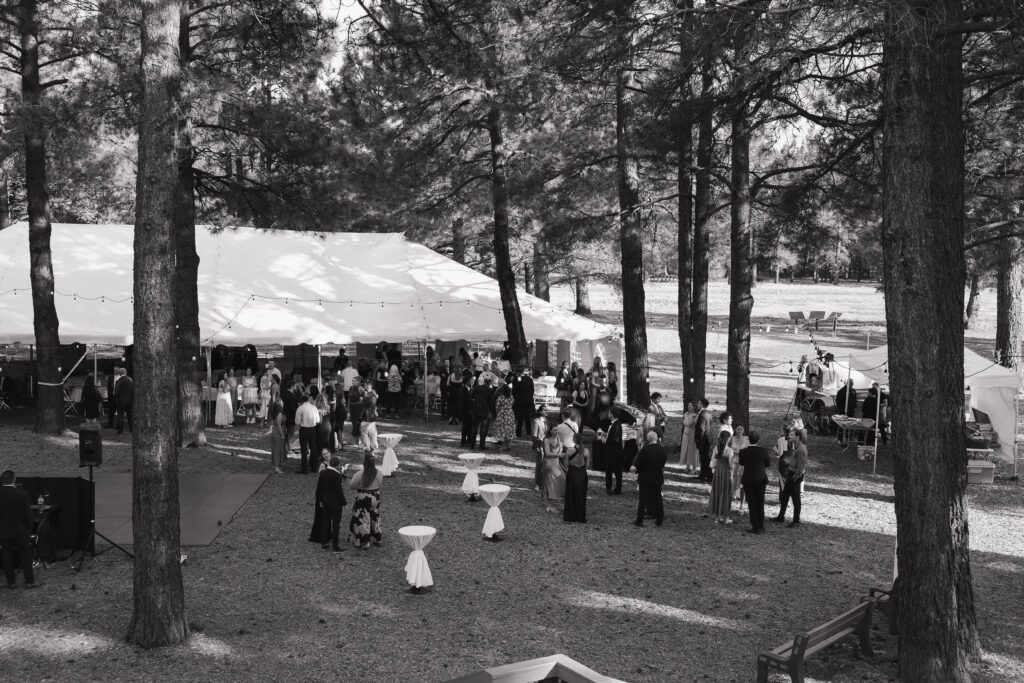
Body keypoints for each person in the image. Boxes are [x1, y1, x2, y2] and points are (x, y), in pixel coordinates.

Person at [0, 470, 37, 589]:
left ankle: (11, 582)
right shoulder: (22, 494)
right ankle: (29, 581)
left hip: (4, 530)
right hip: (21, 530)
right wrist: (29, 527)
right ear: (14, 479)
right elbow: (28, 515)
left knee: (7, 555)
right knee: (26, 555)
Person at [738, 430, 771, 534]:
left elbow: (741, 463)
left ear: (748, 440)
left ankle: (755, 526)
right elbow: (768, 464)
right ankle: (761, 525)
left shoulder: (743, 452)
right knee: (760, 503)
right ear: (759, 440)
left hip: (749, 479)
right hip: (761, 479)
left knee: (752, 504)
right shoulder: (763, 451)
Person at [349, 450, 384, 549]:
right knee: (375, 516)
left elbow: (352, 486)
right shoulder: (379, 473)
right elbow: (380, 483)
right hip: (375, 496)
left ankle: (365, 541)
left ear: (364, 463)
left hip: (363, 498)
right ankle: (378, 538)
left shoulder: (359, 474)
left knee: (362, 518)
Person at [633, 431, 667, 527]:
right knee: (658, 499)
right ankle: (659, 520)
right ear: (656, 438)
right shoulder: (662, 450)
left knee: (643, 500)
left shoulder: (644, 450)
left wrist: (637, 471)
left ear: (648, 439)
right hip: (657, 477)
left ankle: (639, 520)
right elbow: (663, 462)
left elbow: (638, 464)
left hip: (645, 478)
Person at [774, 432, 808, 527]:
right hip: (791, 474)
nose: (790, 436)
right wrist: (788, 460)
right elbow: (796, 461)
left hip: (794, 476)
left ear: (798, 437)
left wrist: (794, 478)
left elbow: (801, 467)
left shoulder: (801, 449)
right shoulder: (797, 447)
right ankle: (781, 517)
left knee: (796, 499)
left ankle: (796, 521)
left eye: (792, 435)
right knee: (785, 496)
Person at [315, 455, 347, 552]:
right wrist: (344, 502)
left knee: (325, 522)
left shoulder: (323, 473)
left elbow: (319, 488)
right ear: (337, 465)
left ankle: (323, 543)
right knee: (336, 524)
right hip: (335, 502)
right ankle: (335, 546)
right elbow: (339, 491)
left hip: (326, 500)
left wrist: (320, 500)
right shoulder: (337, 475)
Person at [707, 430, 734, 524]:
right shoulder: (730, 450)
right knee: (725, 492)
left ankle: (717, 516)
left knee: (718, 492)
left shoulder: (716, 448)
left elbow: (713, 462)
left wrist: (714, 470)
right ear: (728, 439)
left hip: (718, 473)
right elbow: (731, 465)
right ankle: (725, 516)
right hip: (726, 473)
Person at [562, 432, 589, 523]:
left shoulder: (569, 450)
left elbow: (565, 464)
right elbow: (587, 464)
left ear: (574, 440)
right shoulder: (586, 451)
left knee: (570, 495)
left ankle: (570, 516)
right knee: (581, 496)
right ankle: (580, 516)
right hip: (582, 474)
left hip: (572, 473)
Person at [541, 424, 566, 508]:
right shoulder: (547, 440)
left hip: (556, 462)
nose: (556, 431)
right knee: (549, 480)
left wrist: (561, 453)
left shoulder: (558, 438)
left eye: (557, 430)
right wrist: (559, 454)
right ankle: (547, 498)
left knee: (561, 478)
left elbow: (561, 448)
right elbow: (547, 453)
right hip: (549, 462)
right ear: (550, 431)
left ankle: (556, 496)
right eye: (555, 430)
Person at [295, 393, 321, 474]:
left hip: (304, 429)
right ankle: (315, 467)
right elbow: (318, 421)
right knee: (313, 448)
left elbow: (297, 422)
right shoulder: (314, 407)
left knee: (303, 449)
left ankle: (304, 468)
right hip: (312, 429)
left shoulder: (300, 408)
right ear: (309, 398)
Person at [602, 407, 625, 495]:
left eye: (609, 413)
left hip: (615, 453)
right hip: (612, 452)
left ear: (612, 414)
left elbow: (616, 439)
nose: (608, 414)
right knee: (609, 470)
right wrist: (607, 434)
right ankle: (609, 487)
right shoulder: (614, 424)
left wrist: (605, 440)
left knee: (616, 472)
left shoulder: (616, 425)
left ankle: (616, 489)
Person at [471, 375, 496, 450]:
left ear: (484, 381)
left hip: (476, 409)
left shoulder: (476, 387)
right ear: (490, 383)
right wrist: (492, 412)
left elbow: (472, 397)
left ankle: (472, 445)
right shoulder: (490, 390)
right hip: (485, 411)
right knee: (483, 429)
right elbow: (491, 402)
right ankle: (481, 446)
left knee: (474, 428)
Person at [512, 368, 535, 438]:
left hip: (519, 401)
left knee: (520, 417)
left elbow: (514, 390)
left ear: (517, 373)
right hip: (528, 400)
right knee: (527, 417)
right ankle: (528, 431)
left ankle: (518, 432)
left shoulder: (517, 379)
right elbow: (532, 390)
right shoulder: (529, 379)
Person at [729, 425, 750, 502]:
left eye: (741, 429)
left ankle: (739, 494)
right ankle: (733, 493)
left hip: (743, 462)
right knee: (733, 477)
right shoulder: (732, 438)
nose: (740, 431)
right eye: (738, 429)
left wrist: (740, 452)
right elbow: (729, 449)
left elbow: (748, 449)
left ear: (743, 430)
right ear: (735, 430)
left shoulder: (746, 438)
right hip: (734, 460)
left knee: (740, 478)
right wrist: (737, 452)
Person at [695, 398, 714, 481]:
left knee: (705, 458)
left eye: (698, 403)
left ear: (702, 404)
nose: (697, 405)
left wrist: (698, 439)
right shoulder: (708, 414)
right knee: (704, 458)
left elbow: (701, 428)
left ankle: (709, 476)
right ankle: (703, 475)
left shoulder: (702, 414)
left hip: (703, 439)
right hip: (708, 438)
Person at [492, 384, 515, 449]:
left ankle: (500, 443)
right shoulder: (511, 397)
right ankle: (508, 445)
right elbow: (512, 404)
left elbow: (497, 407)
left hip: (502, 414)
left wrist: (498, 413)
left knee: (501, 429)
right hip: (510, 414)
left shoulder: (500, 398)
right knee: (509, 429)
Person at [679, 401, 698, 473]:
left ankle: (694, 467)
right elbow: (685, 423)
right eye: (688, 405)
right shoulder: (686, 414)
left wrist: (686, 420)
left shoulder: (695, 415)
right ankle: (688, 466)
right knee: (685, 449)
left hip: (692, 434)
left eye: (691, 405)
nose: (689, 407)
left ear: (694, 407)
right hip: (685, 434)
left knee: (692, 450)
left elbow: (688, 423)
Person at [359, 381, 379, 451]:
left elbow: (363, 407)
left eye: (365, 386)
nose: (364, 387)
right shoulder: (374, 394)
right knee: (372, 433)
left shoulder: (366, 395)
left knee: (364, 434)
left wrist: (360, 415)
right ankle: (372, 447)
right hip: (372, 417)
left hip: (366, 417)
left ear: (368, 386)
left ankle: (367, 448)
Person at [114, 367, 134, 435]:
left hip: (120, 401)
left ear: (120, 373)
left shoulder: (118, 381)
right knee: (130, 415)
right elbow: (132, 390)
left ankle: (120, 431)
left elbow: (116, 392)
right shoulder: (130, 380)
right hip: (129, 401)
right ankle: (131, 429)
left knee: (120, 416)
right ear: (126, 372)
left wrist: (117, 401)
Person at [531, 409, 548, 491]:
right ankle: (537, 484)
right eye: (545, 410)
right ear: (540, 411)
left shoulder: (547, 421)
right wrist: (537, 445)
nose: (547, 411)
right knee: (539, 466)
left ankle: (543, 483)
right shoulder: (536, 421)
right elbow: (534, 435)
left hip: (547, 446)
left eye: (547, 410)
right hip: (539, 446)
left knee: (545, 465)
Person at [269, 396, 286, 474]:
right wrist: (282, 435)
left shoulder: (275, 412)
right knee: (277, 450)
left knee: (275, 449)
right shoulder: (279, 413)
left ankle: (274, 465)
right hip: (278, 433)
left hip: (274, 432)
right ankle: (276, 466)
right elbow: (279, 425)